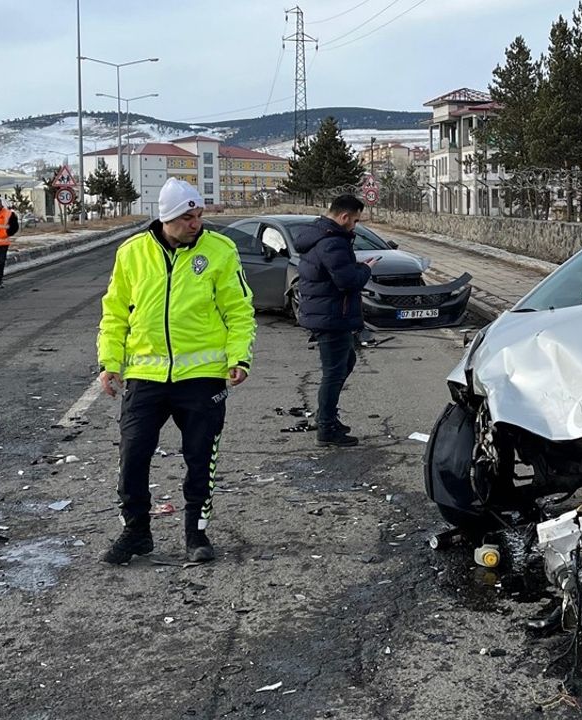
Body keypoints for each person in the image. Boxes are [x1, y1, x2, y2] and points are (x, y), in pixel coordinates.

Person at [96, 178, 256, 565]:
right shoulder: (132, 253)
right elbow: (115, 312)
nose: (196, 223)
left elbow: (239, 309)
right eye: (187, 217)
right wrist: (109, 363)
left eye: (199, 215)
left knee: (201, 458)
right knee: (132, 458)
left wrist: (239, 358)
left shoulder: (221, 250)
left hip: (201, 379)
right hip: (145, 378)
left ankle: (196, 533)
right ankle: (136, 532)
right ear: (166, 218)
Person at [292, 194, 380, 447]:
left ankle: (326, 416)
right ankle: (327, 427)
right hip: (331, 316)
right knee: (334, 372)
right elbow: (347, 281)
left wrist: (354, 267)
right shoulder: (333, 242)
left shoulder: (319, 236)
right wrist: (366, 269)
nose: (354, 226)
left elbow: (335, 273)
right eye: (354, 221)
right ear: (343, 217)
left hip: (325, 313)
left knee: (345, 362)